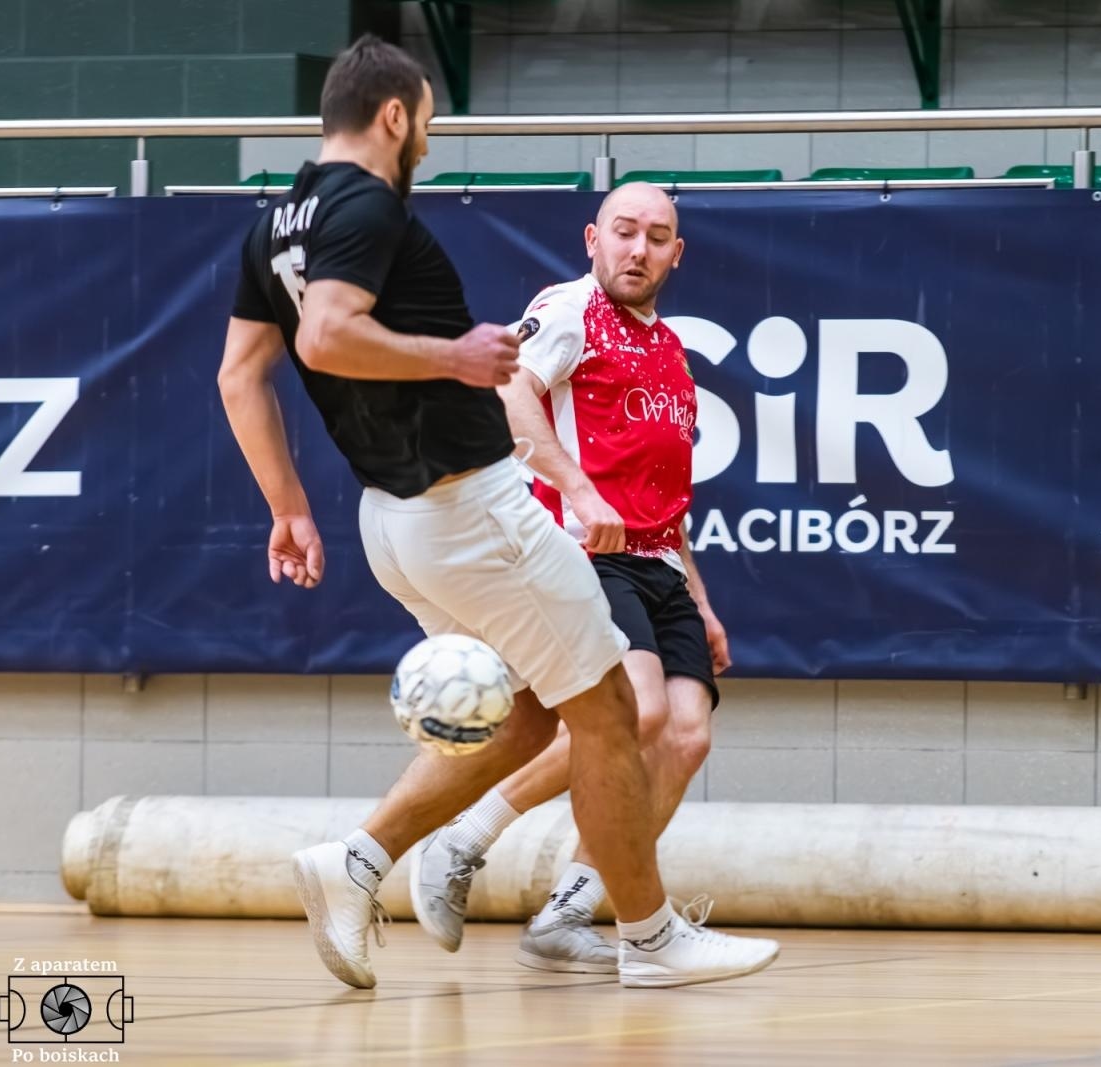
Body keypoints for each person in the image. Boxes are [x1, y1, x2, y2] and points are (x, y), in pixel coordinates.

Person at [216, 34, 777, 990]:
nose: (428, 137)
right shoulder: (365, 204)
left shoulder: (275, 222)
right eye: (428, 118)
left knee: (521, 724)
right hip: (472, 506)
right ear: (395, 115)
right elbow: (327, 333)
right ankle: (646, 937)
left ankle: (356, 860)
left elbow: (241, 373)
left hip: (392, 517)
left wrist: (288, 507)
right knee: (608, 712)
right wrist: (455, 358)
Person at [408, 183, 727, 974]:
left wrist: (702, 598)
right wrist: (580, 490)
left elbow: (666, 487)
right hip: (581, 550)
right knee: (637, 713)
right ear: (593, 238)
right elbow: (508, 386)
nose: (639, 249)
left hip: (657, 561)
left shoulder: (670, 351)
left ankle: (568, 909)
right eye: (625, 232)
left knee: (685, 734)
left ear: (675, 254)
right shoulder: (567, 308)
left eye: (657, 237)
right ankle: (462, 836)